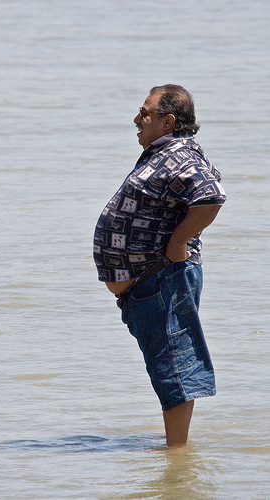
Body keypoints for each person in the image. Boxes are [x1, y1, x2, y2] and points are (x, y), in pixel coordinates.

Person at [93, 84, 226, 447]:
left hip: (163, 277)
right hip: (149, 283)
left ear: (168, 121)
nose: (136, 119)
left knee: (175, 366)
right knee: (166, 365)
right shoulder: (163, 153)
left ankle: (177, 454)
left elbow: (211, 196)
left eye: (145, 113)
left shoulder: (180, 154)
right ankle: (176, 450)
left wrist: (179, 241)